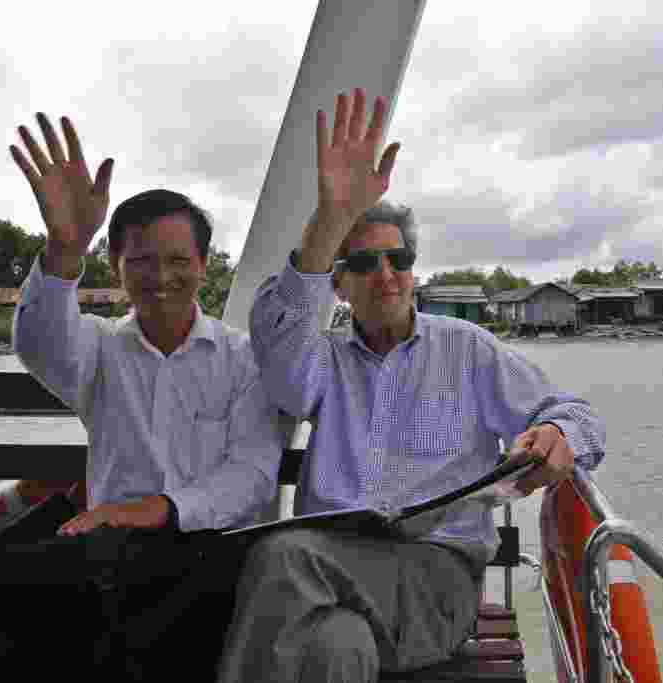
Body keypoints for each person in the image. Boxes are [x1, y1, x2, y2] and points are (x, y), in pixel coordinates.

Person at [219, 89, 606, 683]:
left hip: (435, 577)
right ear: (339, 286)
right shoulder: (322, 363)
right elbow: (278, 348)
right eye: (365, 264)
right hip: (334, 571)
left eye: (397, 260)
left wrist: (556, 431)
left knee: (281, 555)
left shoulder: (467, 350)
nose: (386, 275)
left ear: (413, 272)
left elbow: (577, 414)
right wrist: (330, 219)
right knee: (336, 648)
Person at [0, 114, 283, 681]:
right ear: (118, 267)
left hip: (204, 558)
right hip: (101, 559)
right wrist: (63, 249)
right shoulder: (98, 348)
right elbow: (40, 343)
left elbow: (250, 479)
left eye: (177, 261)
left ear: (203, 265)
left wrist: (160, 510)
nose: (160, 276)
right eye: (141, 261)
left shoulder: (243, 360)